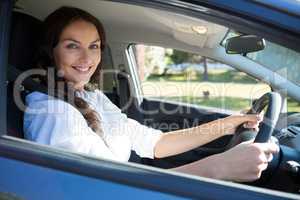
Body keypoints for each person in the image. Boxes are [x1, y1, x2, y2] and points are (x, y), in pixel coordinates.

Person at [23, 6, 278, 182]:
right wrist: (220, 168)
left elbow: (155, 144)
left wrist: (227, 125)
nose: (87, 58)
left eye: (94, 46)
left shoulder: (91, 96)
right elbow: (105, 191)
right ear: (50, 52)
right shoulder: (51, 113)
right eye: (72, 46)